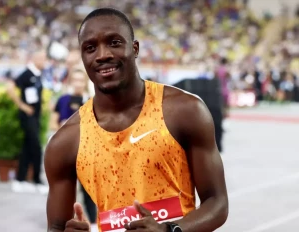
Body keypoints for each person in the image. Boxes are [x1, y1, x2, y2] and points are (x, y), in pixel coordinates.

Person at [45, 8, 228, 232]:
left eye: (114, 42)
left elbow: (217, 203)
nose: (102, 55)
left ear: (135, 48)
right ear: (83, 58)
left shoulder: (184, 110)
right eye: (90, 48)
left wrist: (169, 230)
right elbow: (56, 227)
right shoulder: (66, 141)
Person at [51, 68, 97, 227]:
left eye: (80, 80)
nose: (78, 83)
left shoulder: (92, 101)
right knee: (64, 189)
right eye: (75, 80)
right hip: (66, 152)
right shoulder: (62, 100)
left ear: (85, 82)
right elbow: (54, 122)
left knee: (88, 189)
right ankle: (63, 223)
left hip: (86, 151)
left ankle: (93, 222)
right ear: (71, 82)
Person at [6, 50, 49, 194]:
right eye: (42, 59)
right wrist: (22, 106)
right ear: (35, 59)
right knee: (36, 147)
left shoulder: (37, 74)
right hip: (27, 117)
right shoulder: (26, 74)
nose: (45, 61)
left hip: (35, 117)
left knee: (27, 148)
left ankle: (20, 179)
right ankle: (37, 180)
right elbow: (10, 87)